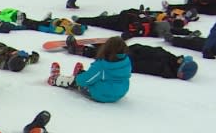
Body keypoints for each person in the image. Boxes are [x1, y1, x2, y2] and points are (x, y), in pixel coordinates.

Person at [66, 36, 198, 80]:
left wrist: (124, 58)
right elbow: (157, 51)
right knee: (111, 46)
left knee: (106, 52)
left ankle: (80, 50)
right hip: (135, 51)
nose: (180, 59)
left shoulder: (164, 68)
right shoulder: (171, 62)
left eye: (183, 61)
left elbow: (139, 66)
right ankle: (90, 47)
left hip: (129, 57)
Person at [48, 36, 131, 103]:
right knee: (93, 76)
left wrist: (77, 79)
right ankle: (80, 74)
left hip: (102, 95)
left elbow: (85, 81)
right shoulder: (126, 61)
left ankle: (56, 79)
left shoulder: (102, 66)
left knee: (78, 81)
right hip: (120, 93)